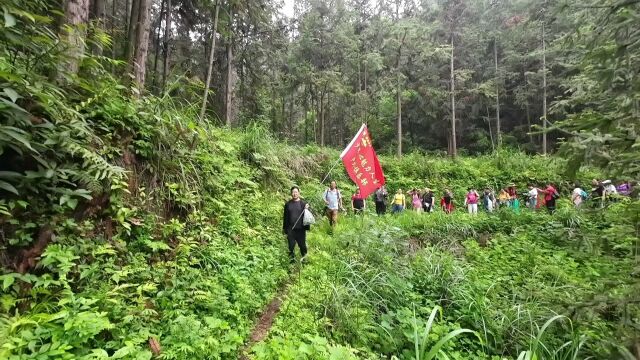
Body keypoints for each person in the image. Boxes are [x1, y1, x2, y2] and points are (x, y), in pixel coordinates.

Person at [283, 186, 310, 263]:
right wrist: (284, 229)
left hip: (300, 229)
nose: (294, 194)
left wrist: (307, 209)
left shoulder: (303, 204)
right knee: (291, 246)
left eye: (296, 192)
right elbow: (285, 217)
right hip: (290, 229)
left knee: (302, 246)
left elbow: (308, 217)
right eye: (293, 192)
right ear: (291, 193)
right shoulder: (288, 204)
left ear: (299, 193)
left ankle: (304, 259)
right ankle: (292, 261)